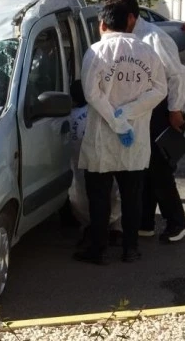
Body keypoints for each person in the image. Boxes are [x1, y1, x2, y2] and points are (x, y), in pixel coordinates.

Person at [73, 1, 167, 265]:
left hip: (102, 137)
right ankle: (131, 248)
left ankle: (98, 249)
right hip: (135, 139)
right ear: (130, 20)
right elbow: (160, 90)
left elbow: (91, 93)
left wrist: (116, 119)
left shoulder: (96, 51)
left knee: (99, 197)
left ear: (101, 24)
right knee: (132, 196)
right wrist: (127, 115)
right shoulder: (147, 51)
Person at [113, 0, 185, 243]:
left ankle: (177, 223)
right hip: (145, 108)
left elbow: (177, 76)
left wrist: (175, 110)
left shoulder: (154, 37)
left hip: (163, 109)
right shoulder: (131, 36)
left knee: (159, 168)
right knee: (146, 166)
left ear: (131, 17)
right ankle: (145, 222)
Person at [68, 79, 123, 249]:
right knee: (112, 193)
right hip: (108, 162)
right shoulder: (104, 112)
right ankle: (115, 229)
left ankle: (91, 232)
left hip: (83, 166)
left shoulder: (71, 117)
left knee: (85, 196)